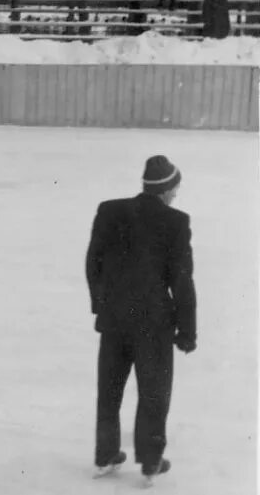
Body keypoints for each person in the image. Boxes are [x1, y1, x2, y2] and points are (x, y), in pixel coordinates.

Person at [85, 155, 196, 484]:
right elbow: (181, 280)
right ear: (166, 191)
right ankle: (150, 462)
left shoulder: (110, 211)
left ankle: (106, 456)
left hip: (115, 321)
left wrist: (101, 305)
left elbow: (93, 263)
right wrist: (187, 330)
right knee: (154, 394)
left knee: (109, 391)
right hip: (154, 326)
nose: (176, 196)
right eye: (175, 190)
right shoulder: (176, 222)